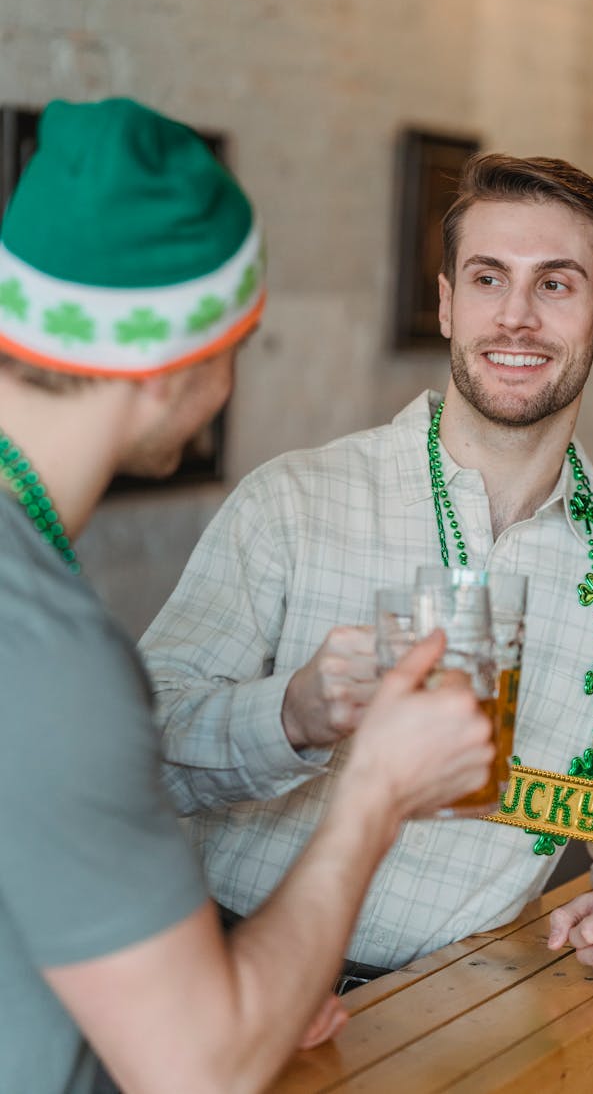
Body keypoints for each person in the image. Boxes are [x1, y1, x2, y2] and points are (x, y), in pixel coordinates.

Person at [0, 97, 495, 1094]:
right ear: (181, 365)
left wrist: (241, 982)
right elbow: (201, 1072)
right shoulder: (49, 649)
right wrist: (374, 792)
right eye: (238, 342)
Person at [142, 150, 593, 987]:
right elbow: (136, 752)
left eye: (557, 284)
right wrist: (294, 714)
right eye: (488, 279)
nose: (517, 317)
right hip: (214, 965)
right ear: (448, 304)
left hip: (448, 1015)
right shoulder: (294, 502)